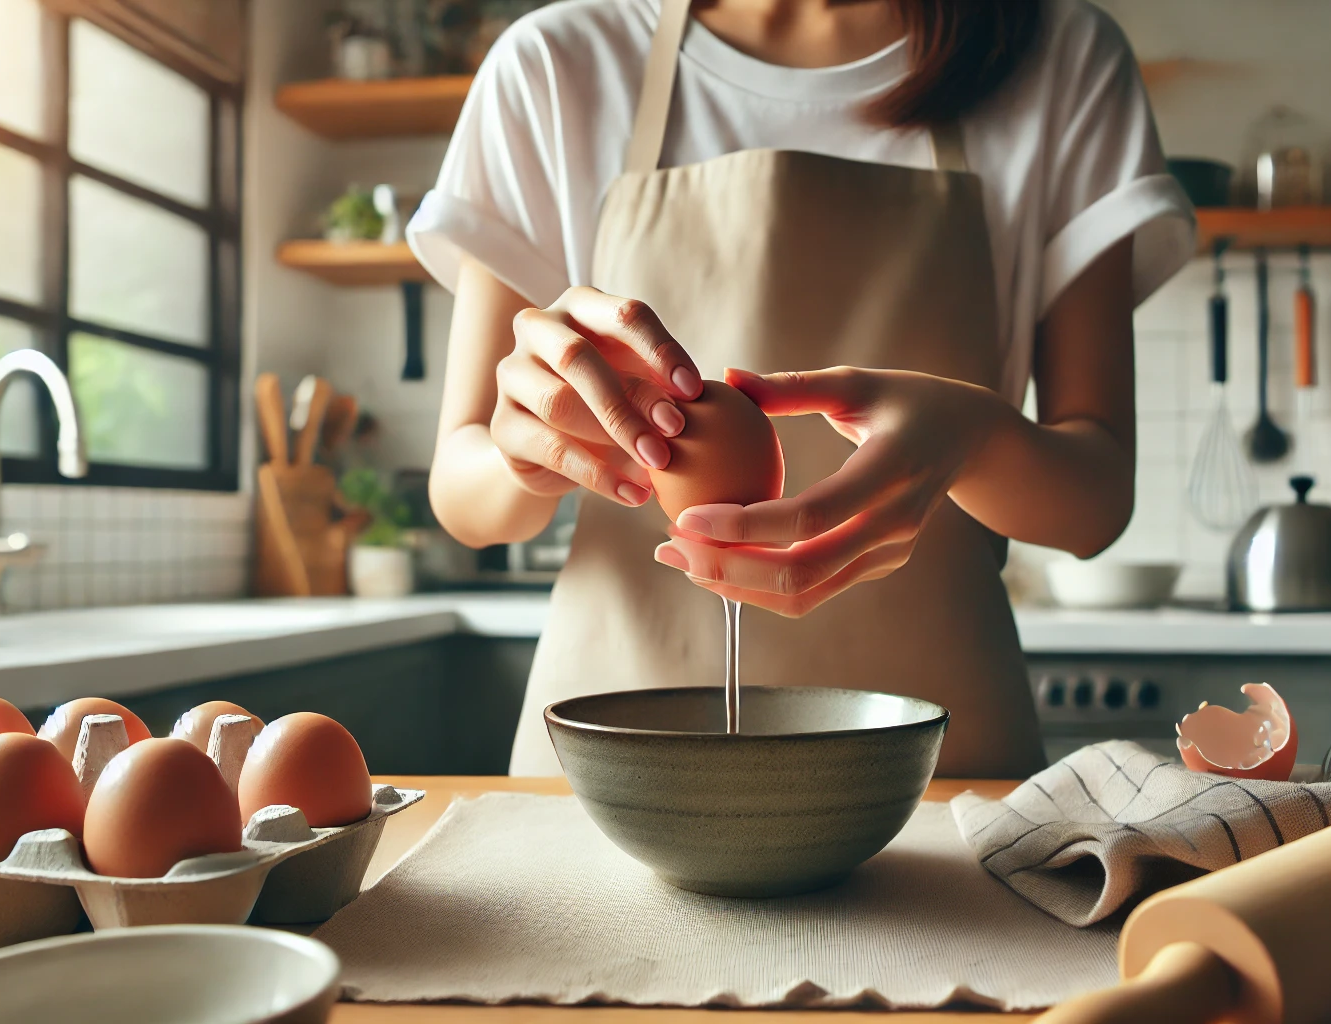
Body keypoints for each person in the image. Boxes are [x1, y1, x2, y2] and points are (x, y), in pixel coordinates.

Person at [413, 0, 1194, 777]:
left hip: (935, 776)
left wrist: (978, 438)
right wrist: (526, 453)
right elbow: (463, 491)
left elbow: (1095, 502)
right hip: (607, 770)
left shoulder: (1059, 56)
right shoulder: (556, 64)